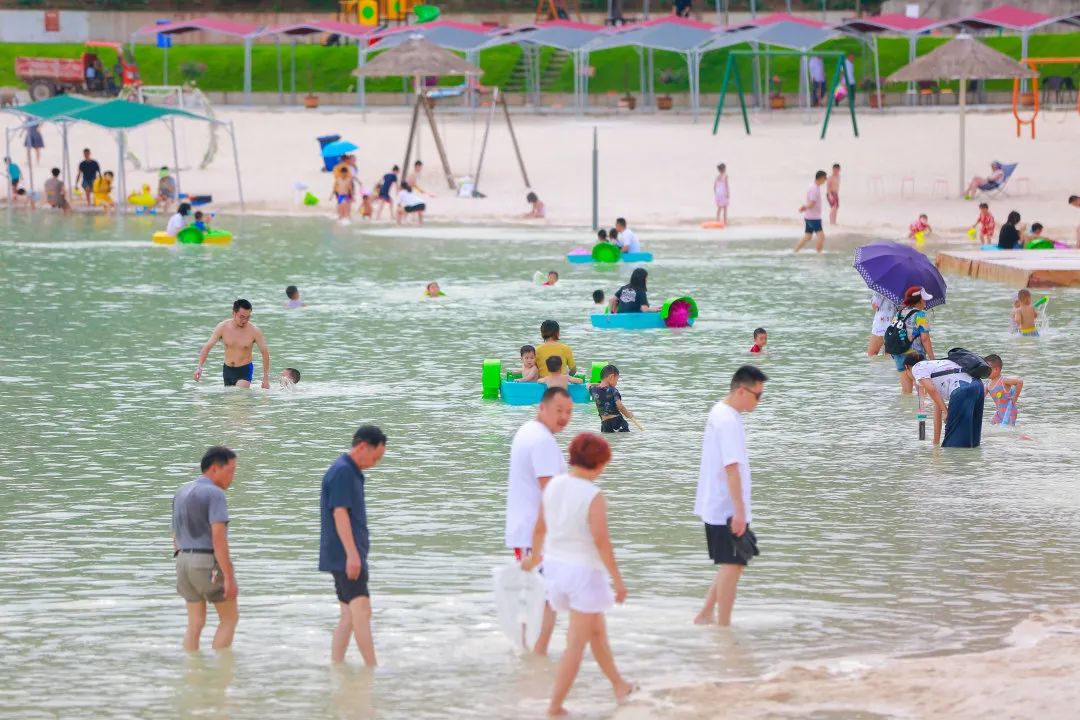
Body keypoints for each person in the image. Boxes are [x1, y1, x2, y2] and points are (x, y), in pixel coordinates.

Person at [521, 433, 635, 716]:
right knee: (575, 645)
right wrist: (618, 580)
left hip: (555, 571)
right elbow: (601, 541)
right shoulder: (592, 495)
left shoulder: (554, 485)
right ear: (600, 463)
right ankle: (555, 706)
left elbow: (539, 528)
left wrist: (533, 558)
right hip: (584, 576)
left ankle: (620, 685)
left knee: (596, 632)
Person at [694, 365, 767, 626]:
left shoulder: (721, 411)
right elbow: (731, 468)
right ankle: (723, 628)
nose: (759, 401)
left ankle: (706, 614)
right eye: (758, 395)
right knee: (733, 565)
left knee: (732, 563)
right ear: (741, 391)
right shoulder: (727, 421)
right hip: (725, 507)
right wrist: (739, 511)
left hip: (719, 503)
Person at [505, 387, 572, 655]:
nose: (564, 417)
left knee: (537, 596)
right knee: (546, 598)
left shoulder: (527, 431)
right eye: (558, 411)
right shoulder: (543, 440)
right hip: (536, 534)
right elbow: (549, 493)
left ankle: (526, 652)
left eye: (569, 412)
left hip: (528, 531)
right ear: (542, 408)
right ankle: (537, 654)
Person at [319, 425, 388, 666]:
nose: (375, 463)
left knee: (348, 616)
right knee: (362, 612)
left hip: (341, 555)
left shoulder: (347, 470)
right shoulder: (343, 472)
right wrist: (352, 555)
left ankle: (336, 666)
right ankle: (372, 669)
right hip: (346, 556)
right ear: (362, 447)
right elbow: (339, 513)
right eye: (375, 457)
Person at [172, 445, 239, 652]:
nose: (233, 477)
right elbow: (218, 538)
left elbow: (175, 535)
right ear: (215, 468)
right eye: (231, 471)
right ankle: (221, 667)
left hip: (182, 561)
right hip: (206, 561)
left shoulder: (181, 492)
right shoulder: (215, 494)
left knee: (195, 623)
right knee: (229, 619)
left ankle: (193, 667)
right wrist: (228, 576)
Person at [903, 354, 986, 448]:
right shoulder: (936, 367)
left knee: (953, 448)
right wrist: (936, 443)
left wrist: (946, 412)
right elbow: (936, 408)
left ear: (906, 367)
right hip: (978, 386)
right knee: (973, 444)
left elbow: (931, 391)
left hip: (962, 389)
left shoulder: (917, 368)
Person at [193, 299, 271, 389]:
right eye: (241, 317)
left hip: (244, 370)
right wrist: (199, 367)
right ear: (234, 313)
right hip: (227, 370)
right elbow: (207, 347)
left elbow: (265, 352)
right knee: (230, 397)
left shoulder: (254, 331)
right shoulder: (223, 327)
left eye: (247, 317)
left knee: (238, 394)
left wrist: (265, 378)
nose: (244, 320)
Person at [888, 286, 935, 394]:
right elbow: (925, 338)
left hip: (899, 353)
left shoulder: (899, 313)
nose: (925, 302)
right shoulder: (920, 315)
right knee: (922, 392)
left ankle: (906, 406)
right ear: (918, 301)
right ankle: (921, 406)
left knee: (906, 392)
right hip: (915, 355)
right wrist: (932, 358)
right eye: (924, 300)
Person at [588, 364, 640, 433]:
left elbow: (588, 385)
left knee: (608, 439)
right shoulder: (613, 390)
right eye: (616, 380)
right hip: (617, 421)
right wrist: (628, 415)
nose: (616, 383)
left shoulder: (593, 389)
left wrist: (599, 384)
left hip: (605, 424)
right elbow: (620, 406)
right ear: (611, 377)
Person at [984, 354, 1022, 427]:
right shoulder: (987, 384)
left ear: (996, 369)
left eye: (987, 369)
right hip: (999, 413)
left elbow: (1019, 381)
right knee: (992, 426)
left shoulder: (1003, 381)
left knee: (1008, 429)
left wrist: (1015, 397)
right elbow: (980, 397)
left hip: (1009, 411)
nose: (985, 372)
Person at [794, 170, 827, 253]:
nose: (826, 180)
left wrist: (804, 208)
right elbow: (812, 203)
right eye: (825, 178)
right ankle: (819, 254)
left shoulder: (814, 186)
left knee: (808, 236)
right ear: (821, 178)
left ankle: (795, 251)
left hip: (809, 216)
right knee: (821, 236)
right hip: (813, 218)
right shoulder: (814, 188)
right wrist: (804, 207)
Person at [867, 292, 897, 357]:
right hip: (897, 323)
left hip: (882, 323)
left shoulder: (884, 289)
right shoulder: (905, 288)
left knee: (872, 354)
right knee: (889, 355)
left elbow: (875, 305)